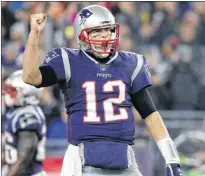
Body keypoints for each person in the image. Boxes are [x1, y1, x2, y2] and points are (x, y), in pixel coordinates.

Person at [22, 4, 182, 176]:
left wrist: (171, 157)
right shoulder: (69, 61)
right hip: (82, 158)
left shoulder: (130, 64)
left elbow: (151, 115)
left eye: (107, 30)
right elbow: (31, 77)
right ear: (82, 36)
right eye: (96, 32)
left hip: (124, 156)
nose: (104, 37)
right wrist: (34, 35)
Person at [2, 70, 47, 176]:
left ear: (25, 93)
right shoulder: (18, 112)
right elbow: (13, 152)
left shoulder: (27, 115)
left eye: (12, 90)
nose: (7, 93)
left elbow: (24, 156)